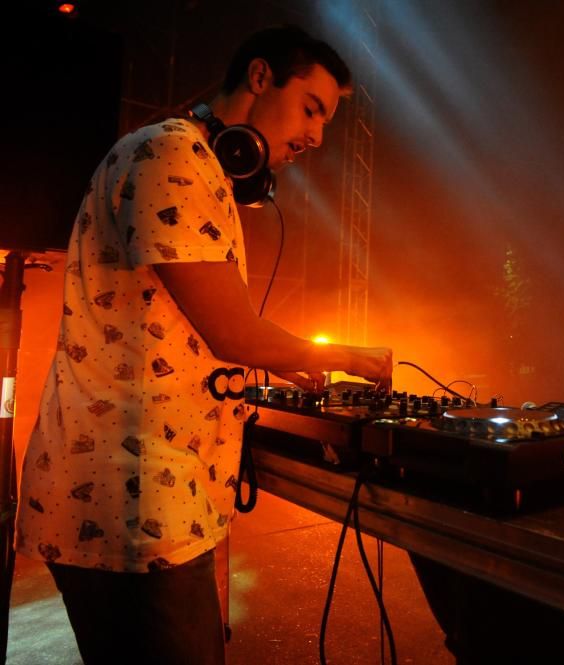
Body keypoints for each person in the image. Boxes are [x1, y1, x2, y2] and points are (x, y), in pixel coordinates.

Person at [14, 24, 391, 664]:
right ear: (261, 77)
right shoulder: (171, 157)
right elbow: (232, 331)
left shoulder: (192, 164)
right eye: (311, 108)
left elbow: (191, 330)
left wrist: (277, 364)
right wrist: (349, 357)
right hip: (130, 505)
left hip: (156, 498)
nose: (316, 137)